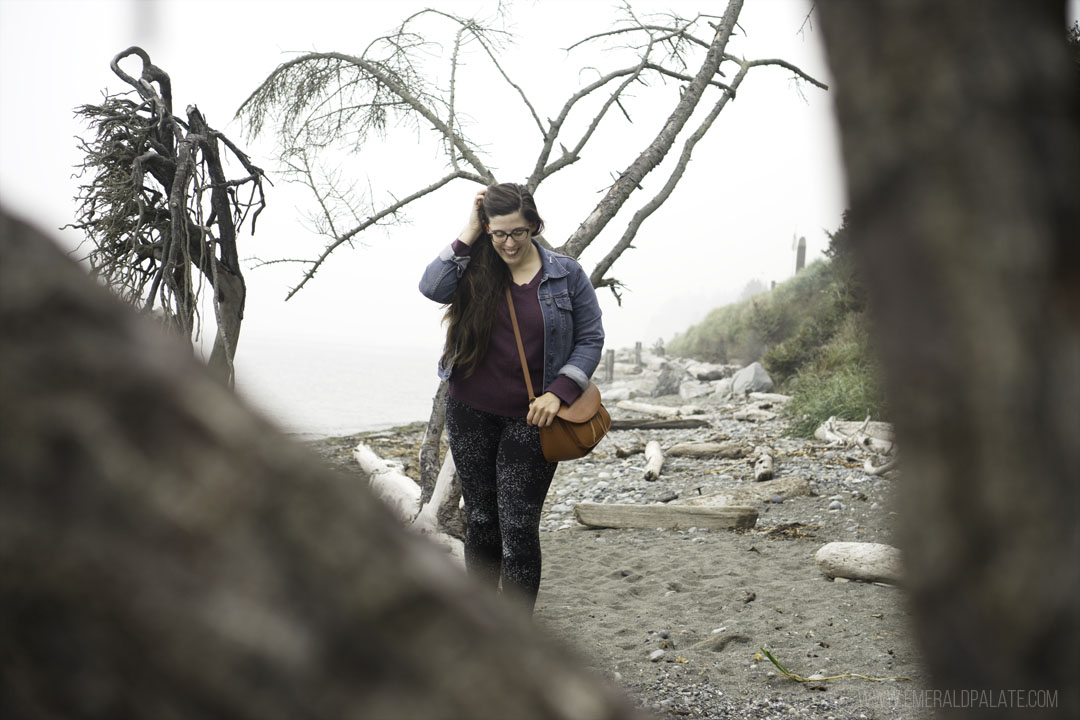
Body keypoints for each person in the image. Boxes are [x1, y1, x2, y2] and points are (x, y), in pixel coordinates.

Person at [419, 182, 604, 612]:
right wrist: (469, 230)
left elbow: (590, 338)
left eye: (517, 232)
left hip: (534, 419)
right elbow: (431, 287)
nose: (507, 243)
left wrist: (558, 393)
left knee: (518, 529)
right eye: (498, 233)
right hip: (469, 413)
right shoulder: (474, 265)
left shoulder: (565, 274)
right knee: (481, 521)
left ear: (535, 226)